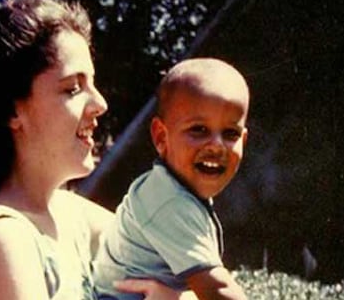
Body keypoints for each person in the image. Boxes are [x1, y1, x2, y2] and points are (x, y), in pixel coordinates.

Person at [0, 0, 197, 300]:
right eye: (73, 88)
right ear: (12, 111)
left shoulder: (69, 214)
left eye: (92, 83)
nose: (100, 104)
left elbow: (180, 272)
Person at [93, 58, 249, 300]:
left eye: (230, 133)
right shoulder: (168, 201)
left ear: (244, 141)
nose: (217, 146)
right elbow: (218, 290)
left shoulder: (178, 192)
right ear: (161, 137)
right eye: (199, 129)